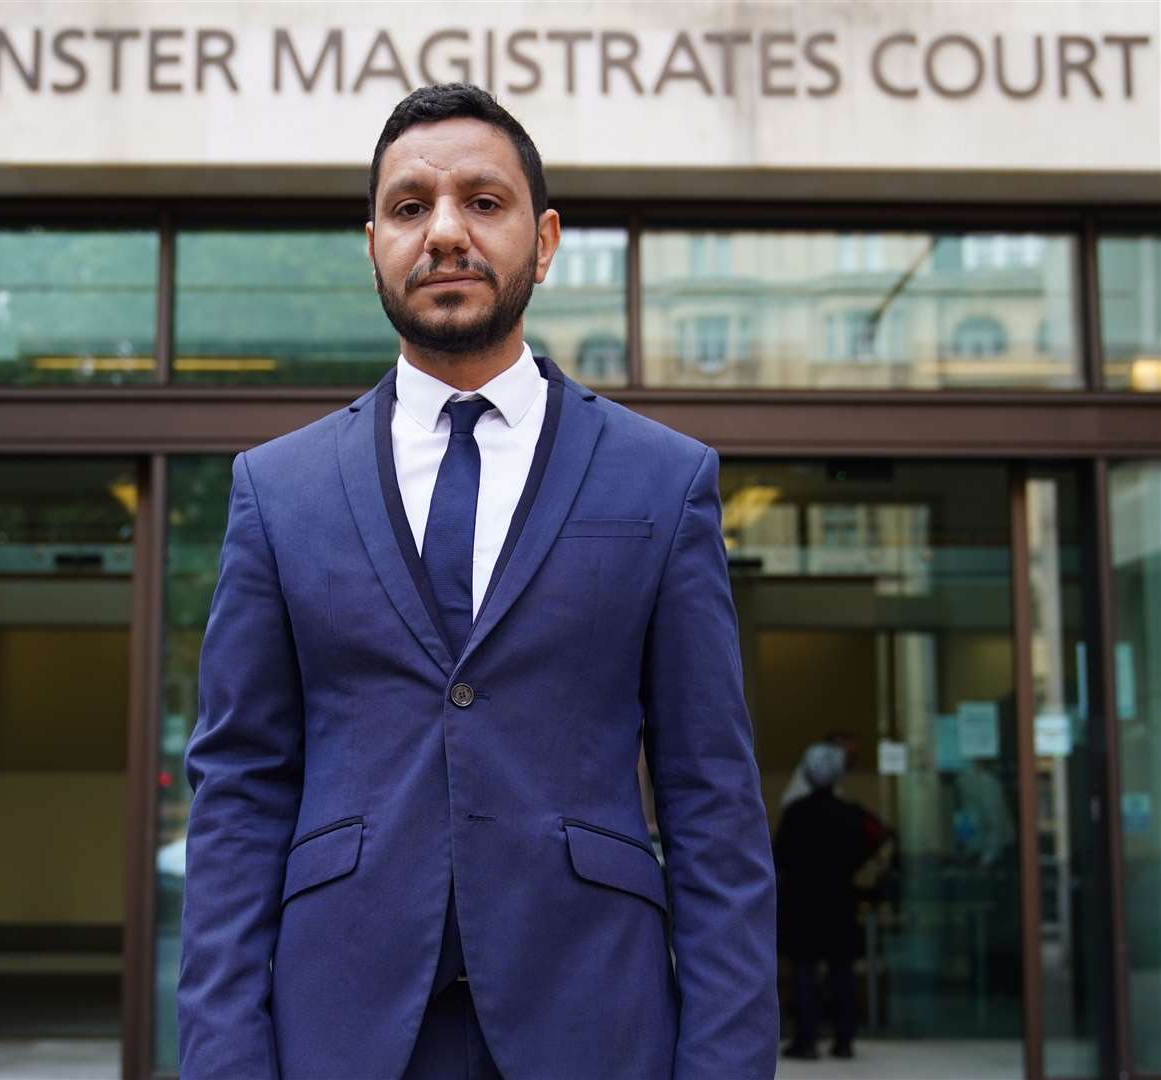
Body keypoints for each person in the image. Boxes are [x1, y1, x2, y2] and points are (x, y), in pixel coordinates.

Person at [177, 83, 777, 1080]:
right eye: (409, 207)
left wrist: (723, 1063)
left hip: (594, 1023)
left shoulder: (661, 481)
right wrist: (222, 1056)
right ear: (370, 241)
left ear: (543, 242)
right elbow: (238, 793)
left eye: (482, 203)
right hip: (338, 1030)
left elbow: (710, 799)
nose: (444, 232)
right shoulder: (275, 491)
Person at [774, 742, 890, 1061]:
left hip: (803, 901)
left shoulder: (797, 813)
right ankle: (844, 1040)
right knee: (842, 972)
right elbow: (881, 835)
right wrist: (852, 863)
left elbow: (780, 854)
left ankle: (806, 1040)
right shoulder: (850, 814)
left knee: (804, 972)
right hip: (840, 898)